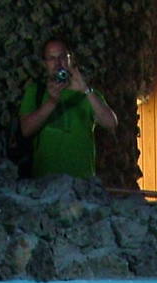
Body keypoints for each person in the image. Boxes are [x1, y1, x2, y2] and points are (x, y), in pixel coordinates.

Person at [17, 38, 117, 180]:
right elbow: (26, 129)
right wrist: (51, 102)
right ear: (45, 63)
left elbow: (110, 123)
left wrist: (85, 90)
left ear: (71, 59)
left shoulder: (87, 94)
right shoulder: (35, 92)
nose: (58, 63)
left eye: (62, 57)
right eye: (51, 58)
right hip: (45, 181)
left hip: (81, 181)